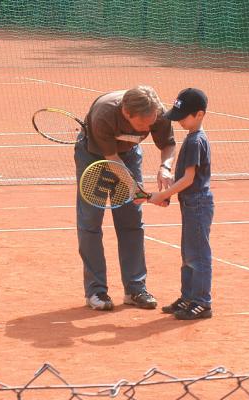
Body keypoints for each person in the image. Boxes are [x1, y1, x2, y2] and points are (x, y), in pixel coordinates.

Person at [74, 86, 176, 311]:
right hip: (94, 156)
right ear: (126, 113)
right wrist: (141, 192)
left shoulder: (156, 113)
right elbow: (111, 159)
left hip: (128, 155)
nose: (149, 128)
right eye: (143, 125)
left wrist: (165, 167)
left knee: (131, 221)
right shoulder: (104, 114)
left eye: (152, 122)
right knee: (90, 222)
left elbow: (168, 144)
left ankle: (135, 289)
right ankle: (96, 291)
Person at [148, 88, 214, 320]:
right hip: (190, 203)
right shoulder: (192, 137)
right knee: (188, 255)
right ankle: (188, 297)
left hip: (198, 205)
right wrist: (167, 194)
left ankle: (202, 302)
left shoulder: (196, 141)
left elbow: (188, 179)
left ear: (199, 114)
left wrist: (162, 194)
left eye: (183, 116)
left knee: (198, 255)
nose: (179, 121)